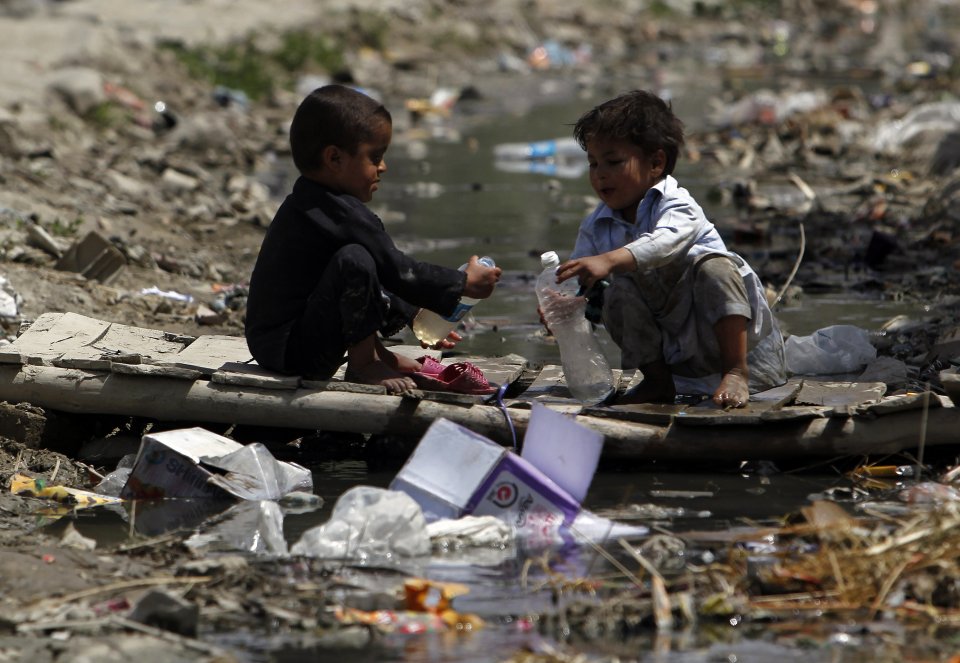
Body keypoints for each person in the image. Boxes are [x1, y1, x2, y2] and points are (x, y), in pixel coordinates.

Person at [245, 85, 501, 394]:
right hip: (290, 352)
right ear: (334, 158)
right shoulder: (335, 212)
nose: (383, 167)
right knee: (356, 259)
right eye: (375, 157)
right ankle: (364, 364)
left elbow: (374, 277)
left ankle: (379, 355)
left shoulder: (315, 201)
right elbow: (397, 270)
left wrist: (411, 313)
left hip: (276, 344)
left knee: (358, 260)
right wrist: (461, 284)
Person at [553, 90, 786, 408]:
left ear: (656, 163)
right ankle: (657, 381)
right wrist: (563, 305)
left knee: (715, 266)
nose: (600, 173)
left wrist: (609, 260)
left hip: (716, 330)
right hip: (671, 344)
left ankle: (735, 371)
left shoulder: (676, 203)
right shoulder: (597, 226)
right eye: (593, 163)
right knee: (613, 292)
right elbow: (580, 279)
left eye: (613, 162)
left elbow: (665, 243)